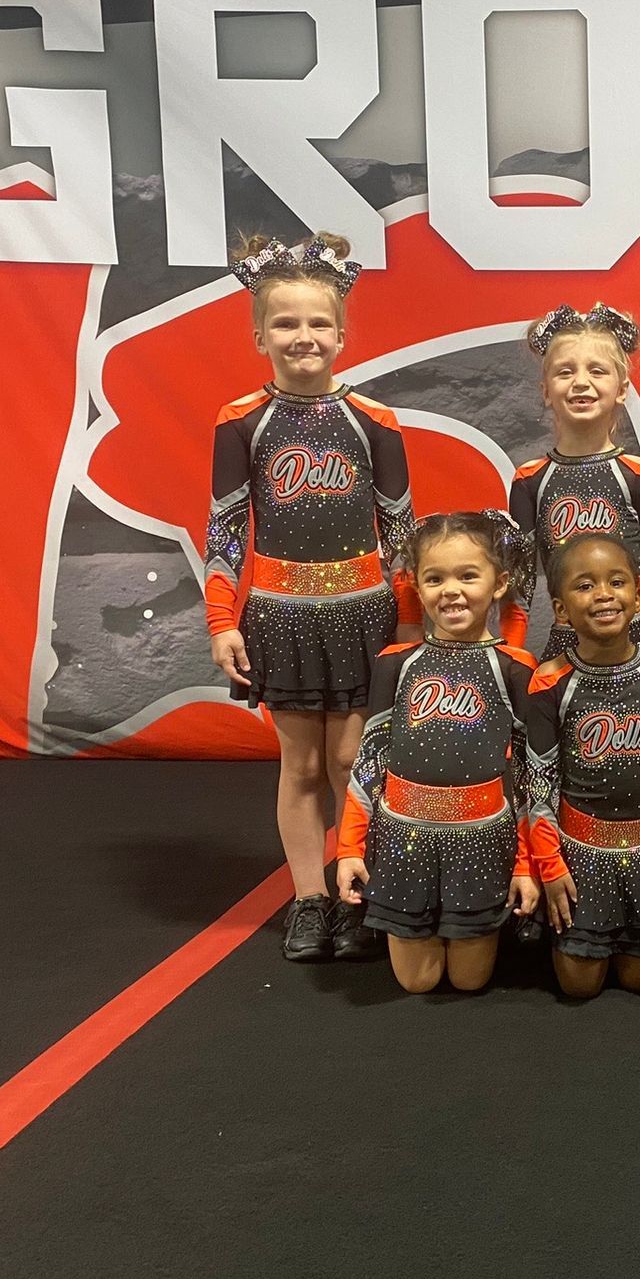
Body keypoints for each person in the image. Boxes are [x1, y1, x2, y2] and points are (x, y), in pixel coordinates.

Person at [206, 233, 420, 964]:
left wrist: (412, 624)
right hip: (281, 616)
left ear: (342, 331)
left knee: (353, 761)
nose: (304, 337)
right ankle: (307, 899)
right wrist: (220, 621)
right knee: (299, 767)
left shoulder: (374, 421)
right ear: (259, 333)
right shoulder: (240, 422)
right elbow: (228, 526)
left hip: (364, 612)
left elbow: (401, 536)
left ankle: (355, 889)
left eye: (318, 323)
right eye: (287, 324)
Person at [334, 512, 541, 993]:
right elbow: (368, 763)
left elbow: (533, 776)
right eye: (435, 578)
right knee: (417, 983)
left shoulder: (515, 668)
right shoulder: (395, 664)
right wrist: (348, 849)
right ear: (417, 587)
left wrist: (525, 864)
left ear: (499, 583)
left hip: (481, 841)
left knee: (470, 982)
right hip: (404, 838)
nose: (451, 590)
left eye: (468, 575)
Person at [524, 536, 640, 999]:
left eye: (616, 581)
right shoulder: (549, 683)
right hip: (581, 852)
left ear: (638, 596)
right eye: (585, 586)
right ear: (562, 611)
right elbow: (539, 782)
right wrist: (550, 865)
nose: (604, 594)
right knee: (579, 986)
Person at [501, 303, 640, 703]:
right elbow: (520, 585)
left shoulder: (638, 475)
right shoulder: (530, 481)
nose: (581, 382)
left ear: (622, 388)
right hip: (570, 638)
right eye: (565, 372)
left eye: (597, 371)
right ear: (546, 390)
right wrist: (510, 656)